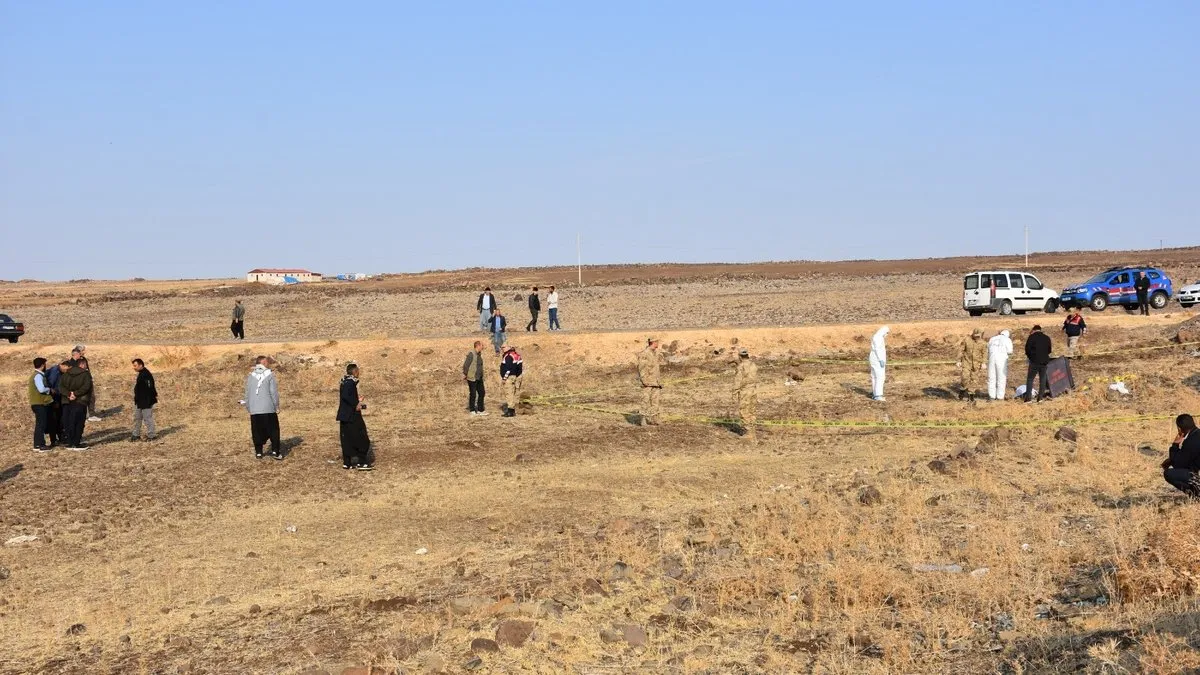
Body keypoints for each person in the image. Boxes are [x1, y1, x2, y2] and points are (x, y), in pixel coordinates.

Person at [243, 356, 282, 459]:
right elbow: (273, 393)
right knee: (274, 430)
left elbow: (247, 394)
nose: (268, 363)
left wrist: (249, 408)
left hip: (255, 410)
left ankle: (259, 452)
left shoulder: (251, 376)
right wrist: (276, 406)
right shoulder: (270, 375)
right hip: (268, 408)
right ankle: (275, 451)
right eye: (267, 362)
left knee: (256, 431)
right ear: (263, 363)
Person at [336, 363, 373, 470]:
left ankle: (347, 462)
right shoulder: (349, 383)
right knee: (362, 438)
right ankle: (362, 462)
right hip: (351, 416)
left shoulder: (344, 382)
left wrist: (358, 400)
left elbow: (346, 397)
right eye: (358, 371)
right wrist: (356, 404)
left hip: (344, 415)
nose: (359, 373)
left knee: (347, 438)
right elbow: (346, 396)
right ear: (355, 372)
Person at [58, 358, 93, 449]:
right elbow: (86, 387)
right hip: (80, 401)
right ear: (82, 364)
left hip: (67, 401)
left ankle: (70, 442)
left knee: (68, 422)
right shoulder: (85, 374)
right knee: (79, 422)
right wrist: (76, 394)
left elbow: (61, 387)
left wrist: (69, 394)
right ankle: (76, 443)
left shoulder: (65, 374)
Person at [1162, 414, 1199, 498]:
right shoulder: (1196, 435)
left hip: (1197, 475)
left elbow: (1178, 465)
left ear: (1179, 428)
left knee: (1169, 474)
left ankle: (1196, 494)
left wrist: (1175, 445)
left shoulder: (1190, 441)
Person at [637, 337, 663, 425]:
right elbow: (642, 368)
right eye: (657, 342)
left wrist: (658, 381)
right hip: (647, 382)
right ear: (653, 342)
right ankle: (643, 419)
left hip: (655, 382)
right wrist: (644, 381)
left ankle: (655, 418)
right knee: (645, 400)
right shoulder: (644, 354)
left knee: (655, 401)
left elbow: (656, 368)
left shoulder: (655, 353)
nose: (658, 343)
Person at [733, 349, 758, 441]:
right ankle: (752, 432)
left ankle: (748, 433)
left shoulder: (741, 366)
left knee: (744, 410)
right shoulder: (753, 365)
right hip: (753, 390)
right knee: (752, 410)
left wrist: (734, 392)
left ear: (740, 356)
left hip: (745, 391)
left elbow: (738, 381)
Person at [1023, 325, 1053, 402]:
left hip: (1034, 361)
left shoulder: (1031, 337)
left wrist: (1031, 357)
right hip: (1044, 361)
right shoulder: (1047, 338)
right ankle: (1040, 398)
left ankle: (1028, 399)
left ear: (1034, 330)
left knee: (1030, 379)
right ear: (1040, 330)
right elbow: (1049, 350)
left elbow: (1027, 349)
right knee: (1043, 379)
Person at [29, 358, 53, 452]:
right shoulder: (38, 376)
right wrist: (49, 389)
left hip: (36, 403)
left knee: (39, 424)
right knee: (41, 424)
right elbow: (41, 389)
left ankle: (37, 444)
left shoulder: (35, 375)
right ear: (42, 365)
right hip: (40, 403)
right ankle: (41, 445)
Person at [131, 358, 158, 441]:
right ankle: (136, 435)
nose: (134, 367)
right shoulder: (141, 374)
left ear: (141, 365)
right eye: (133, 366)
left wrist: (149, 401)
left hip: (146, 401)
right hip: (139, 401)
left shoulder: (146, 375)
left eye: (135, 366)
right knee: (137, 418)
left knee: (147, 418)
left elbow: (150, 389)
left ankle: (152, 435)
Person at [957, 329, 987, 403]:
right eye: (975, 336)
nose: (977, 337)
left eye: (978, 336)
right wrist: (958, 360)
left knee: (974, 380)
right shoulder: (966, 340)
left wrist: (984, 363)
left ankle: (971, 397)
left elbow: (984, 353)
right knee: (965, 377)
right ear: (973, 334)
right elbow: (961, 350)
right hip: (966, 362)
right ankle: (962, 389)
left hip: (976, 364)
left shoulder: (983, 343)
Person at [75, 345, 101, 422]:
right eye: (83, 350)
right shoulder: (76, 360)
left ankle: (91, 414)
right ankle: (83, 415)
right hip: (82, 382)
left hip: (88, 380)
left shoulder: (84, 359)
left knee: (91, 397)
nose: (84, 352)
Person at [986, 330, 1014, 401]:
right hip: (1001, 360)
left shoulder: (992, 339)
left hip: (991, 359)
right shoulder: (1007, 339)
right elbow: (1010, 351)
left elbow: (988, 349)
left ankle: (991, 396)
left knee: (991, 378)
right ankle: (1000, 397)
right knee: (1001, 378)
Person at [462, 341, 487, 416]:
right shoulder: (471, 354)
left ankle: (480, 410)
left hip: (479, 377)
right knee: (473, 394)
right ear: (478, 346)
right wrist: (466, 374)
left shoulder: (479, 354)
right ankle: (472, 410)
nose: (483, 347)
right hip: (472, 377)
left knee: (482, 393)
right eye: (482, 345)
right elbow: (466, 366)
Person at [45, 354, 64, 447]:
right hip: (54, 399)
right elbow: (52, 387)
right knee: (55, 420)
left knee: (59, 419)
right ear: (62, 365)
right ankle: (54, 439)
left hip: (57, 398)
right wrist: (55, 401)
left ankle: (60, 437)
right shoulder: (55, 373)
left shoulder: (58, 371)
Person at [500, 344, 523, 417]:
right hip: (516, 376)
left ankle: (510, 411)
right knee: (514, 393)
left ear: (508, 347)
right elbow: (520, 367)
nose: (502, 349)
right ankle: (513, 410)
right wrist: (517, 376)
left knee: (509, 393)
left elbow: (508, 369)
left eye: (503, 347)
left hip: (509, 377)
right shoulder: (517, 355)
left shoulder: (508, 356)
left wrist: (504, 378)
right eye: (501, 347)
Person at [869, 326, 889, 402]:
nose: (886, 334)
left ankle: (875, 394)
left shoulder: (876, 336)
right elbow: (877, 349)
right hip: (877, 360)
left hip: (874, 359)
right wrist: (881, 359)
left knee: (874, 377)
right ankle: (878, 395)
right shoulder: (878, 338)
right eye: (887, 333)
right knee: (880, 377)